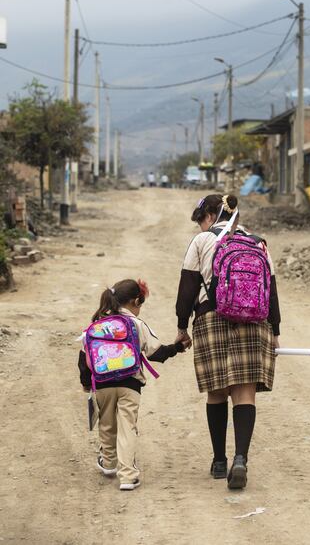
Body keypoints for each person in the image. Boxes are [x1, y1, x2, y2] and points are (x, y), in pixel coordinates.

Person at [175, 194, 281, 489]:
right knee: (245, 393)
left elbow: (187, 288)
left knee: (217, 391)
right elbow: (270, 288)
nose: (199, 226)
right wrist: (275, 329)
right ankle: (241, 459)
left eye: (200, 220)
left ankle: (220, 461)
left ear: (211, 214)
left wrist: (182, 327)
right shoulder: (257, 242)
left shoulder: (202, 242)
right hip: (255, 321)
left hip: (211, 318)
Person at [78, 278, 191, 491]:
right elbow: (157, 353)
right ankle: (128, 475)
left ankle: (109, 463)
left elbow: (83, 358)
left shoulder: (96, 325)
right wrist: (178, 348)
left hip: (102, 384)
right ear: (135, 302)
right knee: (127, 427)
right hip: (130, 385)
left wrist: (86, 385)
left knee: (107, 424)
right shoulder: (137, 324)